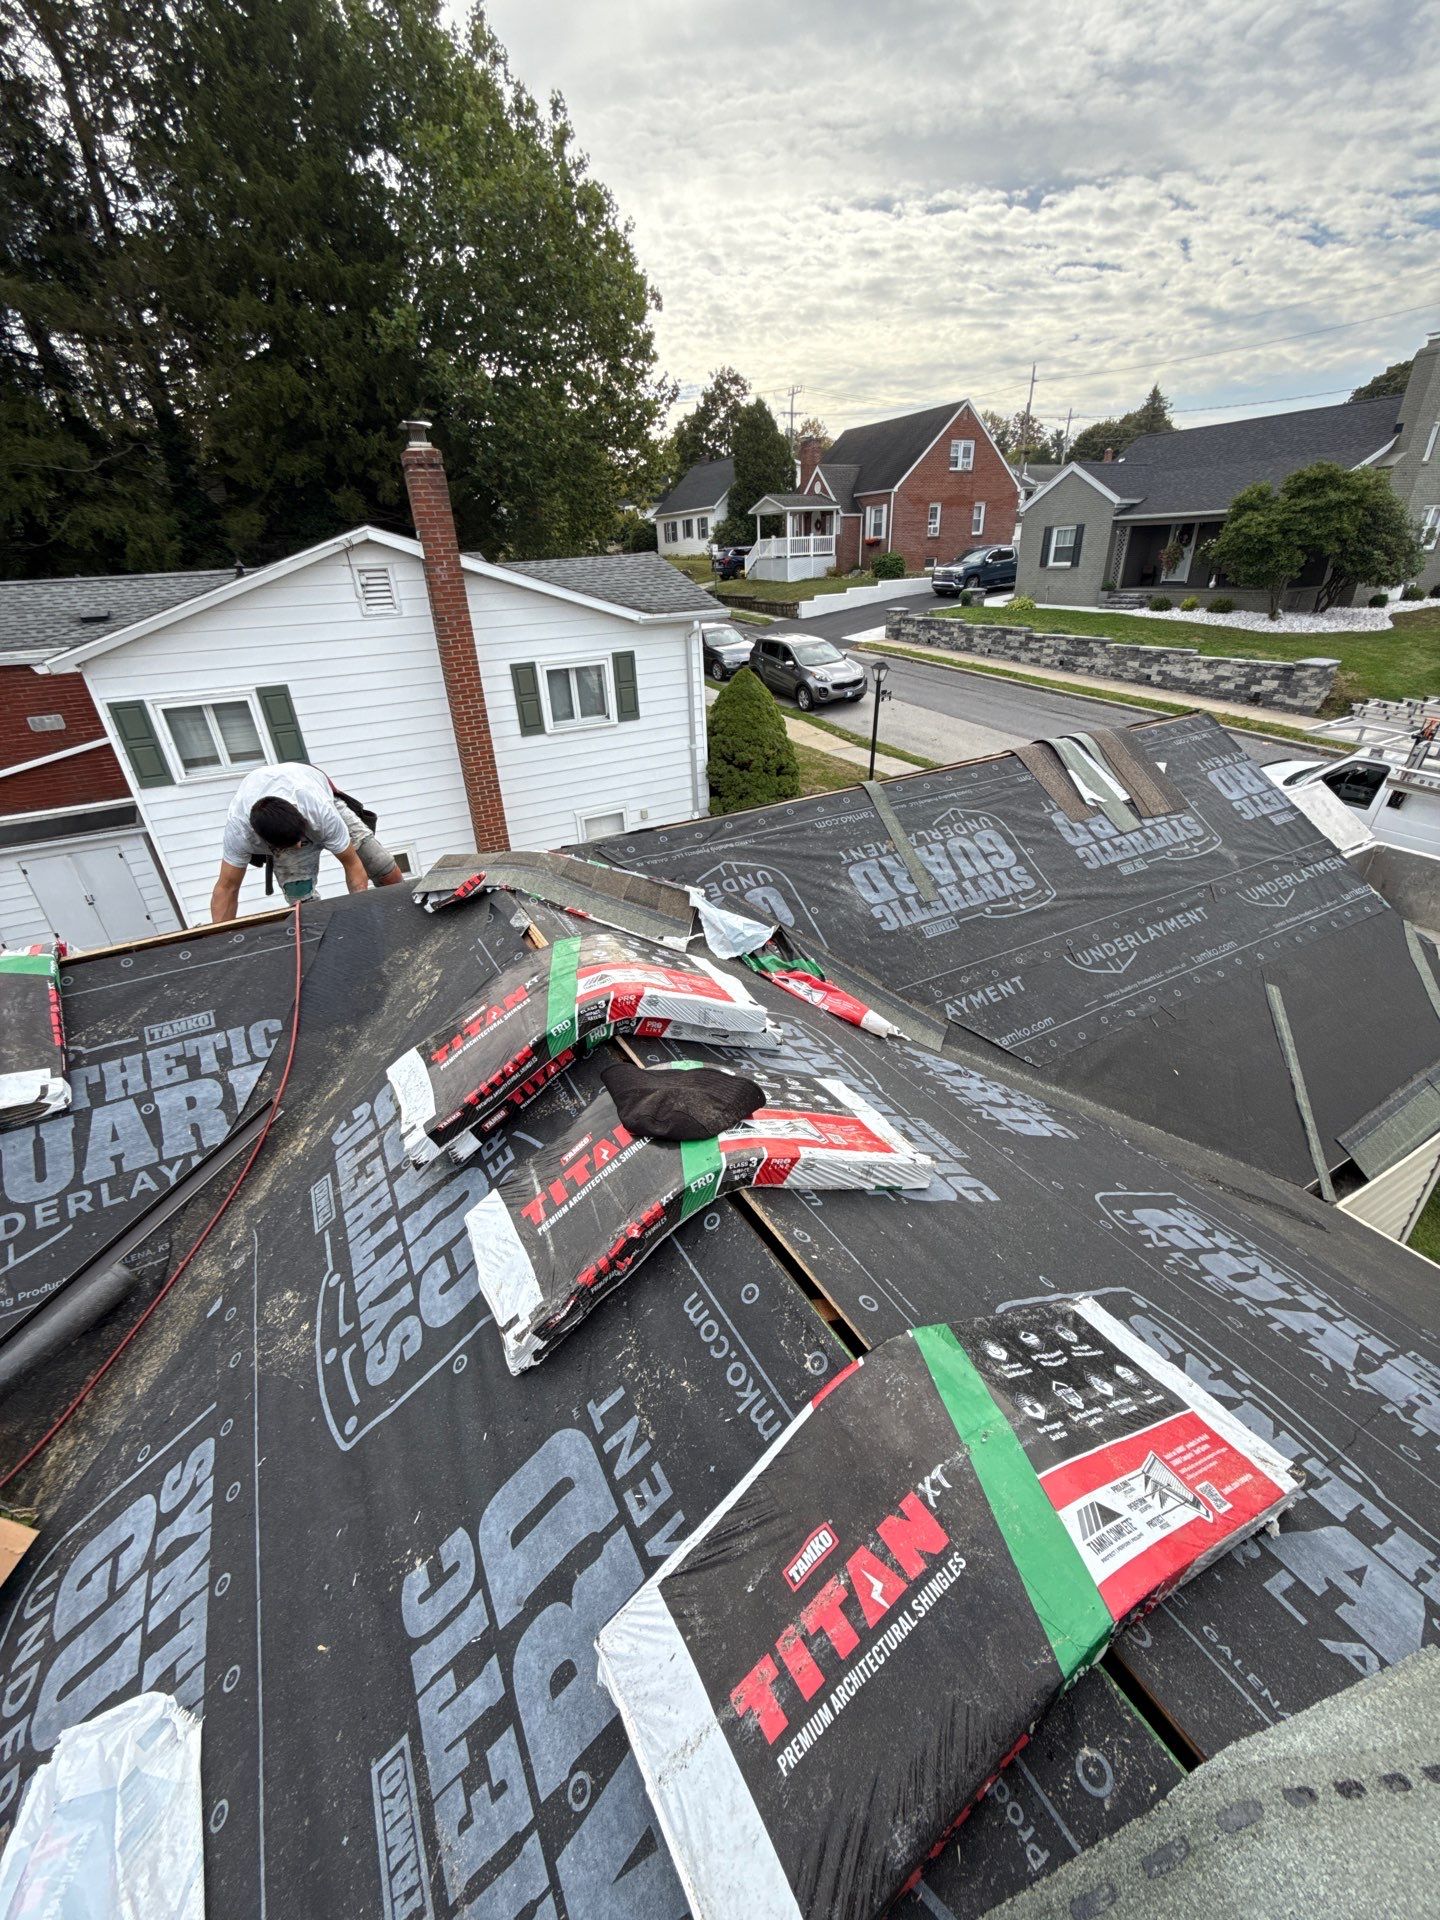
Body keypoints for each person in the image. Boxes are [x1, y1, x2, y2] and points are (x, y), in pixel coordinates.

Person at [209, 762, 404, 921]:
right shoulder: (239, 831)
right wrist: (219, 942)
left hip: (316, 794)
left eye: (299, 840)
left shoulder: (320, 811)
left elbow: (352, 863)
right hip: (273, 817)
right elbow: (227, 887)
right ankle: (319, 938)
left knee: (381, 865)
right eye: (290, 845)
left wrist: (361, 915)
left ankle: (403, 910)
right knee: (302, 904)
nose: (298, 846)